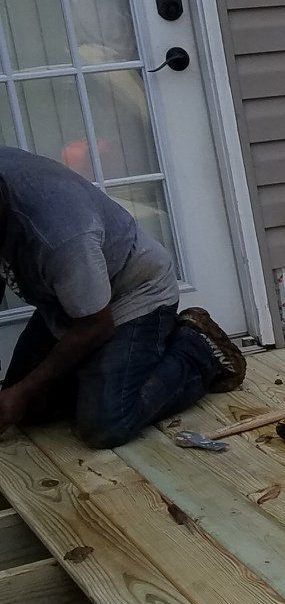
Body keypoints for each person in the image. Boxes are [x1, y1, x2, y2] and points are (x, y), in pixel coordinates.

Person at [0, 146, 245, 449]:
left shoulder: (61, 235)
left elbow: (95, 326)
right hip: (67, 299)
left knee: (105, 424)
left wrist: (22, 393)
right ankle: (100, 376)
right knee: (28, 409)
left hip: (132, 293)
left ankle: (196, 349)